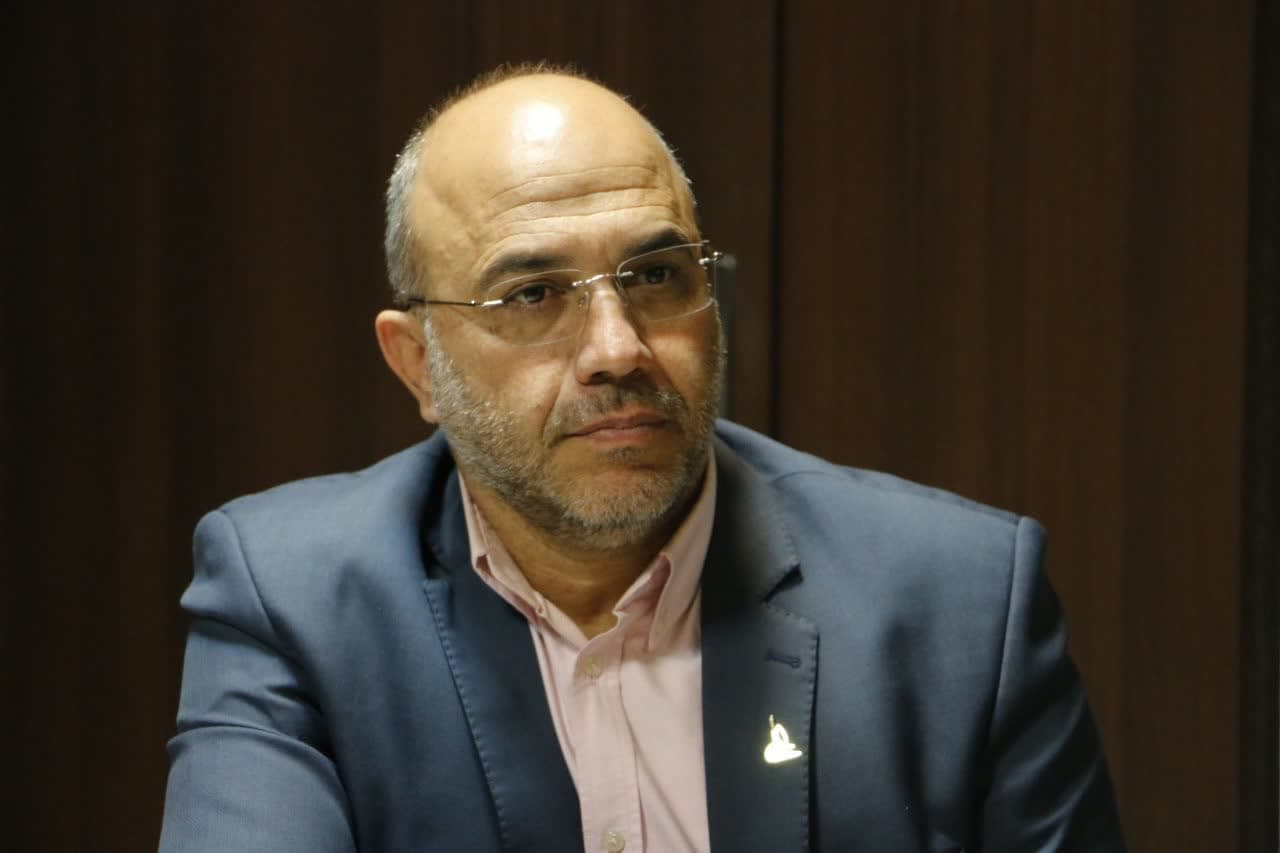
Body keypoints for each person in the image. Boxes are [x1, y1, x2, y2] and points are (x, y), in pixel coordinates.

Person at [159, 64, 1126, 852]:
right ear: (419, 363)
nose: (618, 348)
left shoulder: (961, 604)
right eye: (533, 295)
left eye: (656, 276)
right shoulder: (293, 599)